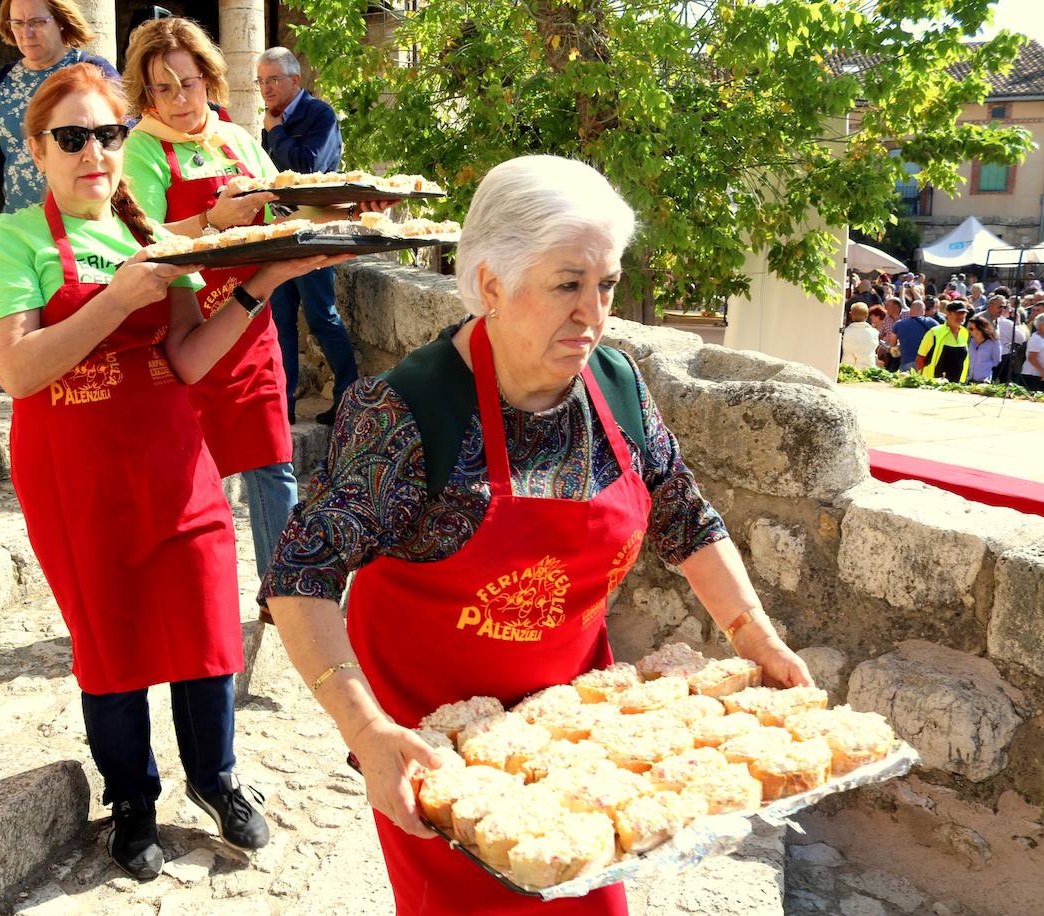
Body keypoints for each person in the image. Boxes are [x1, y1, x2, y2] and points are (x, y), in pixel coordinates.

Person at [261, 156, 814, 915]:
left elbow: (683, 512)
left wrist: (754, 635)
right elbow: (300, 577)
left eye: (607, 283)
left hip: (569, 722)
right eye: (567, 284)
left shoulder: (617, 384)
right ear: (490, 283)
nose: (594, 313)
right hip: (436, 739)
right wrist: (368, 733)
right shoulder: (408, 410)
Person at [0, 64, 348, 878]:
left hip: (174, 455)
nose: (93, 152)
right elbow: (19, 371)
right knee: (112, 637)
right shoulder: (14, 240)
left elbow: (185, 359)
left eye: (107, 134)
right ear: (38, 148)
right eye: (71, 137)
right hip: (76, 469)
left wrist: (264, 280)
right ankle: (131, 799)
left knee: (208, 621)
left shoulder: (151, 238)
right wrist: (116, 298)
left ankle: (216, 779)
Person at [119, 17, 389, 585]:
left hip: (249, 326)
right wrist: (210, 221)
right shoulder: (140, 150)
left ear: (208, 80)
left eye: (188, 83)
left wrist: (349, 214)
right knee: (191, 473)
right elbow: (141, 238)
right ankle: (192, 585)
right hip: (181, 340)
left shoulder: (237, 139)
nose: (179, 100)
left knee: (273, 465)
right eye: (163, 89)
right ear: (146, 93)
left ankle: (283, 588)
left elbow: (286, 212)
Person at [0, 0, 117, 274]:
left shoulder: (92, 70)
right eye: (17, 23)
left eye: (36, 22)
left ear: (60, 20)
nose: (26, 33)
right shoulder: (1, 80)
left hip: (82, 229)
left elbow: (120, 146)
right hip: (16, 229)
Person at [257, 46, 358, 426]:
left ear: (295, 81)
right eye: (261, 80)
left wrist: (277, 133)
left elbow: (309, 168)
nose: (266, 88)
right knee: (280, 320)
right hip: (278, 232)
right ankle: (284, 408)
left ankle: (348, 401)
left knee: (321, 318)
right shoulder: (270, 119)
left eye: (273, 80)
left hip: (314, 230)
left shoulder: (319, 114)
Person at [917, 300, 970, 381]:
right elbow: (920, 358)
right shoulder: (934, 332)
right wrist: (925, 379)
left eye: (963, 313)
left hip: (955, 386)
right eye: (957, 313)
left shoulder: (964, 333)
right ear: (948, 314)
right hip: (933, 384)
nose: (961, 316)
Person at [890, 300, 934, 373]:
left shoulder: (898, 324)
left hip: (906, 363)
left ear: (910, 311)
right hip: (925, 363)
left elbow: (892, 344)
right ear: (923, 311)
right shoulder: (932, 323)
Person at [841, 303, 879, 369]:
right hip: (868, 370)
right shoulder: (874, 333)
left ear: (851, 315)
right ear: (867, 316)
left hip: (848, 370)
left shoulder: (845, 333)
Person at [966, 315, 1001, 383]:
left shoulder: (993, 343)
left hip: (984, 382)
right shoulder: (971, 341)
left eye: (971, 329)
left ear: (980, 329)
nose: (969, 331)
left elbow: (996, 362)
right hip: (968, 380)